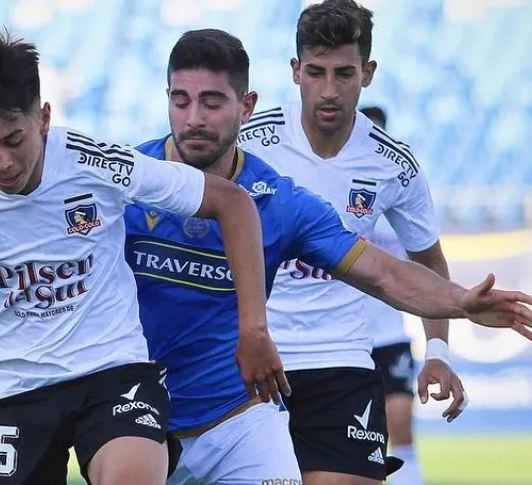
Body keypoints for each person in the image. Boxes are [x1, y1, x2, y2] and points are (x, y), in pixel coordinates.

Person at [0, 29, 289, 485]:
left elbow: (233, 203)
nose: (2, 163)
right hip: (6, 387)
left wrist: (252, 329)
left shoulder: (99, 164)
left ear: (44, 117)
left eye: (14, 140)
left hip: (111, 372)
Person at [126, 27, 532, 485]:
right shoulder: (126, 183)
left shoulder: (286, 199)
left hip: (265, 399)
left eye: (213, 103)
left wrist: (458, 304)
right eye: (181, 101)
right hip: (155, 400)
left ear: (245, 106)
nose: (195, 117)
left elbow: (384, 273)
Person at [238, 1, 477, 483]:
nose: (329, 90)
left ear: (367, 73)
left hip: (342, 363)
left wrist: (438, 353)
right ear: (295, 71)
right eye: (316, 72)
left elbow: (426, 260)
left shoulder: (394, 163)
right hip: (254, 360)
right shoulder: (248, 141)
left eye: (344, 73)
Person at [360, 106, 426, 485]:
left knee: (400, 430)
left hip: (390, 335)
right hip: (343, 340)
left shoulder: (399, 198)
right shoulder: (332, 196)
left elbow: (423, 267)